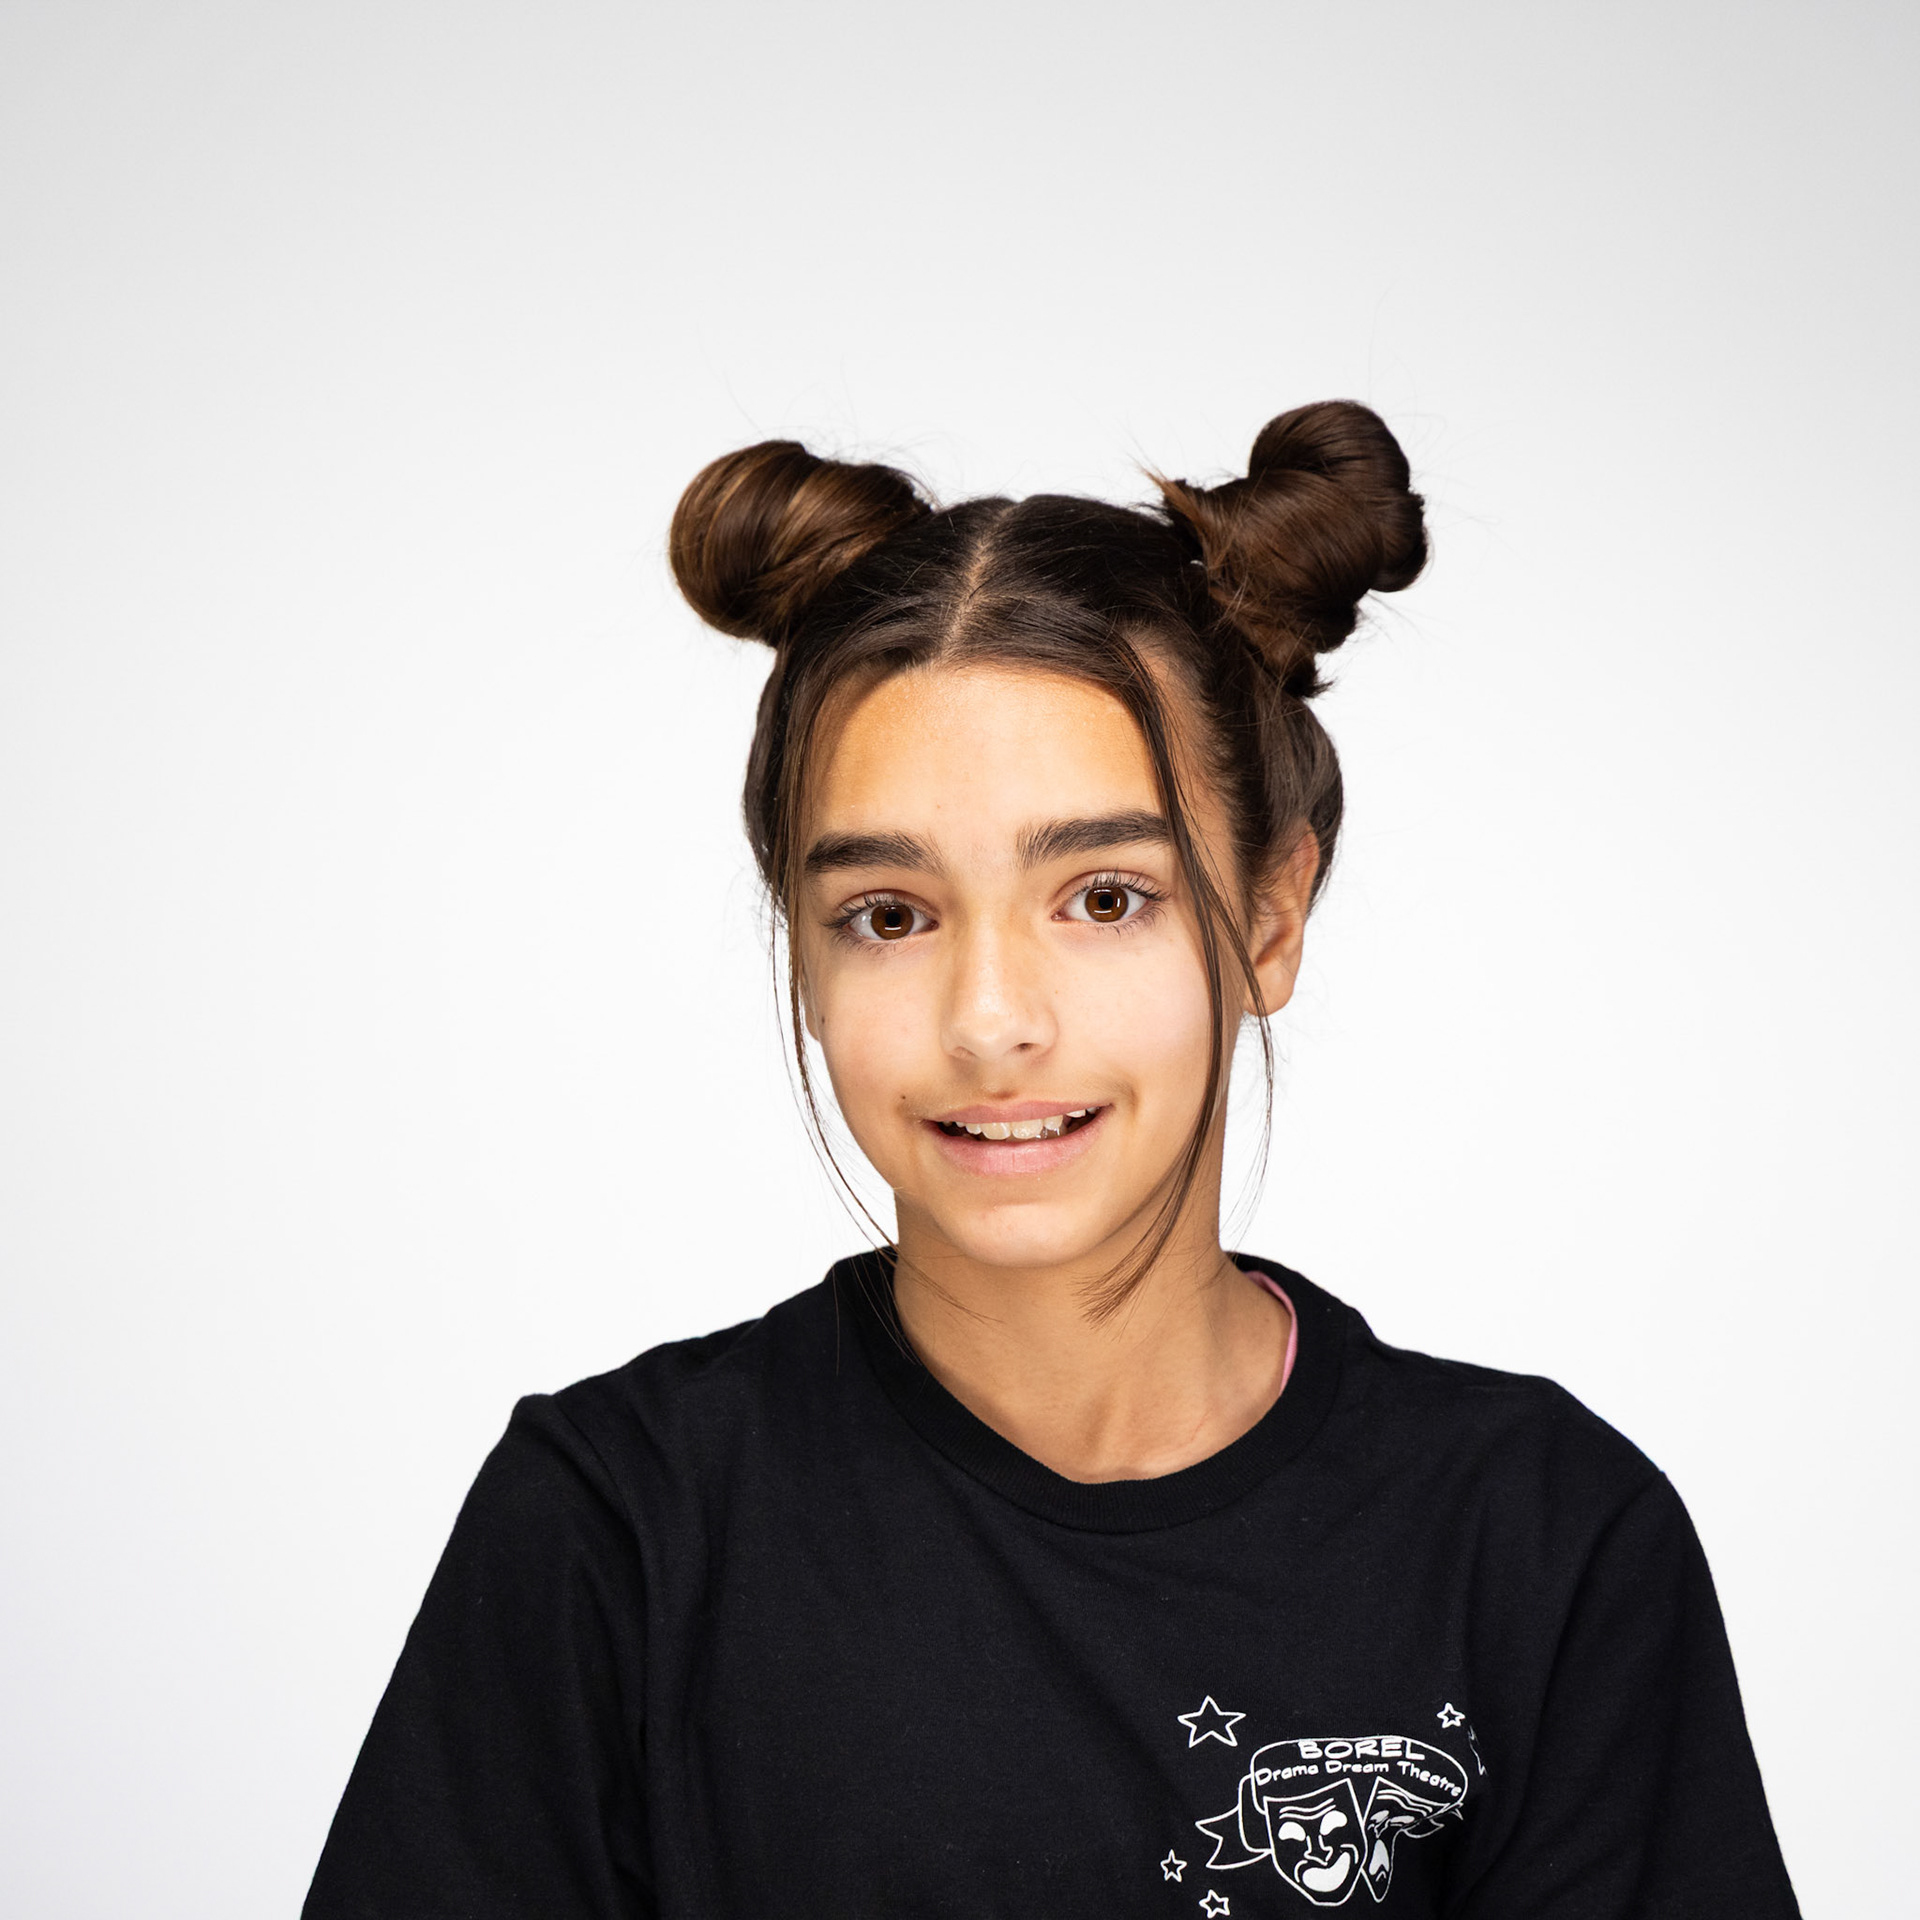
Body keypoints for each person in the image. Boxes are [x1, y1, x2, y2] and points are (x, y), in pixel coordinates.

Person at [303, 402, 1799, 1917]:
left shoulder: (1541, 1546)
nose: (991, 1021)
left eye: (1104, 898)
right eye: (889, 915)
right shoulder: (617, 1531)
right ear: (805, 955)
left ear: (1271, 917)